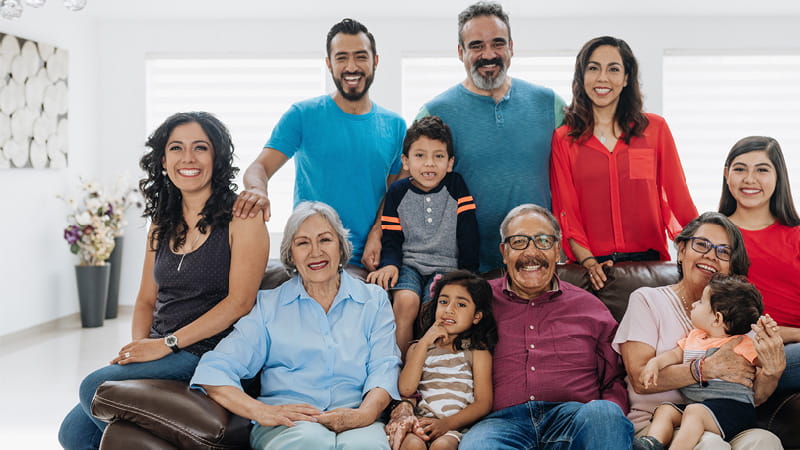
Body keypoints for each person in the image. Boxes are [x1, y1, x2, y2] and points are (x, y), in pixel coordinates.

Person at [58, 111, 269, 449]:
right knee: (72, 432)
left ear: (217, 157)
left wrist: (165, 344)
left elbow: (240, 303)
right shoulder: (161, 222)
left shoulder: (243, 217)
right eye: (176, 148)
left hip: (212, 352)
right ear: (162, 160)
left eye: (200, 148)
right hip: (165, 354)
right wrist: (139, 351)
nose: (188, 158)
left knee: (91, 388)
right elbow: (145, 300)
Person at [388, 204, 633, 449]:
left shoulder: (589, 307)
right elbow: (433, 358)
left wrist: (608, 420)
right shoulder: (474, 301)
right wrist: (406, 404)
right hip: (501, 424)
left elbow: (615, 379)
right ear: (504, 252)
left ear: (557, 250)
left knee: (605, 414)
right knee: (478, 446)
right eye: (519, 242)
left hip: (572, 418)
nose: (531, 252)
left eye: (543, 241)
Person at [191, 201, 402, 450]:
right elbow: (214, 369)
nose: (315, 252)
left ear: (341, 246)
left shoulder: (374, 301)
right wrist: (260, 411)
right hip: (290, 425)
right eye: (303, 243)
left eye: (325, 240)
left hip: (359, 421)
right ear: (291, 254)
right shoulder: (268, 306)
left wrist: (364, 415)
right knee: (309, 442)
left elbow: (384, 367)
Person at [405, 1, 566, 272]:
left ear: (511, 47)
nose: (488, 54)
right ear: (460, 52)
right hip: (465, 266)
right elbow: (409, 185)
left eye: (498, 43)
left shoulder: (550, 103)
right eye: (476, 45)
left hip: (537, 263)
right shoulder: (435, 111)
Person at [232, 18, 406, 268]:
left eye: (360, 56)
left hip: (364, 261)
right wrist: (258, 190)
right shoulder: (303, 115)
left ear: (375, 61)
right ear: (329, 64)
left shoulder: (396, 126)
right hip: (311, 259)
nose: (351, 66)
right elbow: (259, 168)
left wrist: (377, 235)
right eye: (341, 57)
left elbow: (393, 197)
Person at [614, 212, 785, 449]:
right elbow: (642, 380)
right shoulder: (647, 300)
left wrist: (772, 372)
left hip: (723, 419)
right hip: (661, 422)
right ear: (682, 250)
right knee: (710, 444)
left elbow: (752, 397)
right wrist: (704, 368)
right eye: (702, 244)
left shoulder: (739, 319)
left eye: (723, 251)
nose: (711, 256)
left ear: (732, 266)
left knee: (765, 441)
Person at [550, 36, 697, 291]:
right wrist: (588, 261)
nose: (602, 78)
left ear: (627, 78)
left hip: (651, 266)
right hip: (592, 270)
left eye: (613, 69)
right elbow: (566, 210)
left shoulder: (655, 130)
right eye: (593, 68)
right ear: (581, 76)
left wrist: (701, 248)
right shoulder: (564, 139)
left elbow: (677, 199)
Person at [366, 116, 479, 357]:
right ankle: (397, 369)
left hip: (447, 268)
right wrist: (389, 265)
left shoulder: (456, 186)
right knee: (406, 301)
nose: (429, 164)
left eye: (438, 156)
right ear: (405, 161)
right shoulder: (397, 192)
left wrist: (469, 276)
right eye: (420, 155)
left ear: (450, 163)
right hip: (409, 265)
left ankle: (428, 371)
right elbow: (392, 239)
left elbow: (468, 234)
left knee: (434, 307)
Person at [635, 275, 765, 449]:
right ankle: (652, 442)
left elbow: (762, 363)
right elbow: (674, 355)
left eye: (701, 302)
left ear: (717, 319)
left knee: (694, 412)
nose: (695, 304)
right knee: (666, 410)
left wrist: (767, 342)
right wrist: (654, 364)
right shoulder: (695, 338)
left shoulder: (740, 344)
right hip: (701, 407)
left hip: (735, 410)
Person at [719, 135, 800, 391]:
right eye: (740, 169)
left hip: (791, 352)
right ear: (726, 174)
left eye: (762, 170)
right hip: (741, 350)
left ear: (778, 176)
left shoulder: (796, 235)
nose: (750, 179)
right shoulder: (713, 235)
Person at [394, 270, 496, 450]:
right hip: (420, 423)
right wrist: (424, 342)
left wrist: (446, 424)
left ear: (476, 317)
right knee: (411, 445)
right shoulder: (418, 348)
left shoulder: (477, 351)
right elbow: (406, 388)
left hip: (454, 427)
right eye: (443, 302)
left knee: (442, 446)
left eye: (461, 305)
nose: (449, 310)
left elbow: (483, 403)